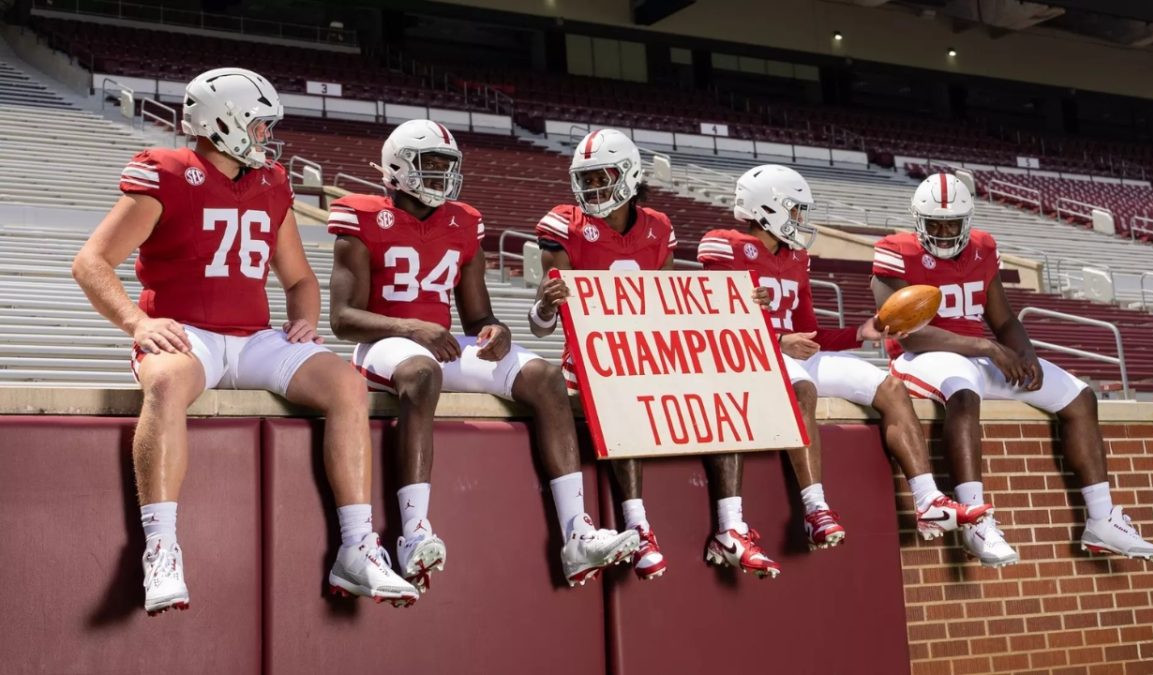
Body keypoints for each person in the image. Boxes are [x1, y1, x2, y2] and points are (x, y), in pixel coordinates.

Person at [72, 68, 416, 614]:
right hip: (189, 333)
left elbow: (299, 278)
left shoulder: (271, 182)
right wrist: (138, 324)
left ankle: (357, 547)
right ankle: (160, 549)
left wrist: (303, 318)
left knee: (346, 383)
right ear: (222, 122)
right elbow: (91, 262)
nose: (264, 137)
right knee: (164, 382)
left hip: (255, 338)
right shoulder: (165, 173)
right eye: (257, 125)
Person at [327, 119, 639, 590]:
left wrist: (495, 333)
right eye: (429, 165)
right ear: (398, 167)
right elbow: (343, 317)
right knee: (422, 372)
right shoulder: (364, 216)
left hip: (439, 345)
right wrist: (411, 326)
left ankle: (577, 533)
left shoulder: (463, 222)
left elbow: (477, 318)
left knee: (545, 377)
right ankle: (412, 534)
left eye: (446, 166)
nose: (440, 176)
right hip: (383, 345)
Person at [871, 172, 1153, 567]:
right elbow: (907, 334)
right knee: (962, 391)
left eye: (951, 224)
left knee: (1080, 397)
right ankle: (975, 519)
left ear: (967, 221)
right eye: (935, 224)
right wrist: (988, 348)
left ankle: (1101, 520)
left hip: (979, 355)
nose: (942, 232)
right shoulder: (895, 251)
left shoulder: (982, 248)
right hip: (923, 357)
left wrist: (1024, 353)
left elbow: (1004, 318)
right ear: (918, 220)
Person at [698, 164, 992, 552]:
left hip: (791, 356)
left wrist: (859, 332)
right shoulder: (725, 246)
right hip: (751, 356)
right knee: (804, 387)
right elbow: (711, 318)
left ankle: (928, 500)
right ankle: (815, 509)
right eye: (795, 209)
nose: (801, 219)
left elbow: (812, 334)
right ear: (768, 208)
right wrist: (778, 340)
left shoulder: (796, 258)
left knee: (890, 386)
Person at [530, 129, 780, 578]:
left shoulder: (658, 227)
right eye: (585, 179)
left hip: (646, 357)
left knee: (724, 389)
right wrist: (545, 303)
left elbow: (668, 308)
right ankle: (638, 525)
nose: (591, 189)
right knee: (621, 391)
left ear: (628, 176)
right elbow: (541, 323)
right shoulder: (564, 224)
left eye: (602, 176)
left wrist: (738, 303)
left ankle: (731, 526)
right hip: (590, 361)